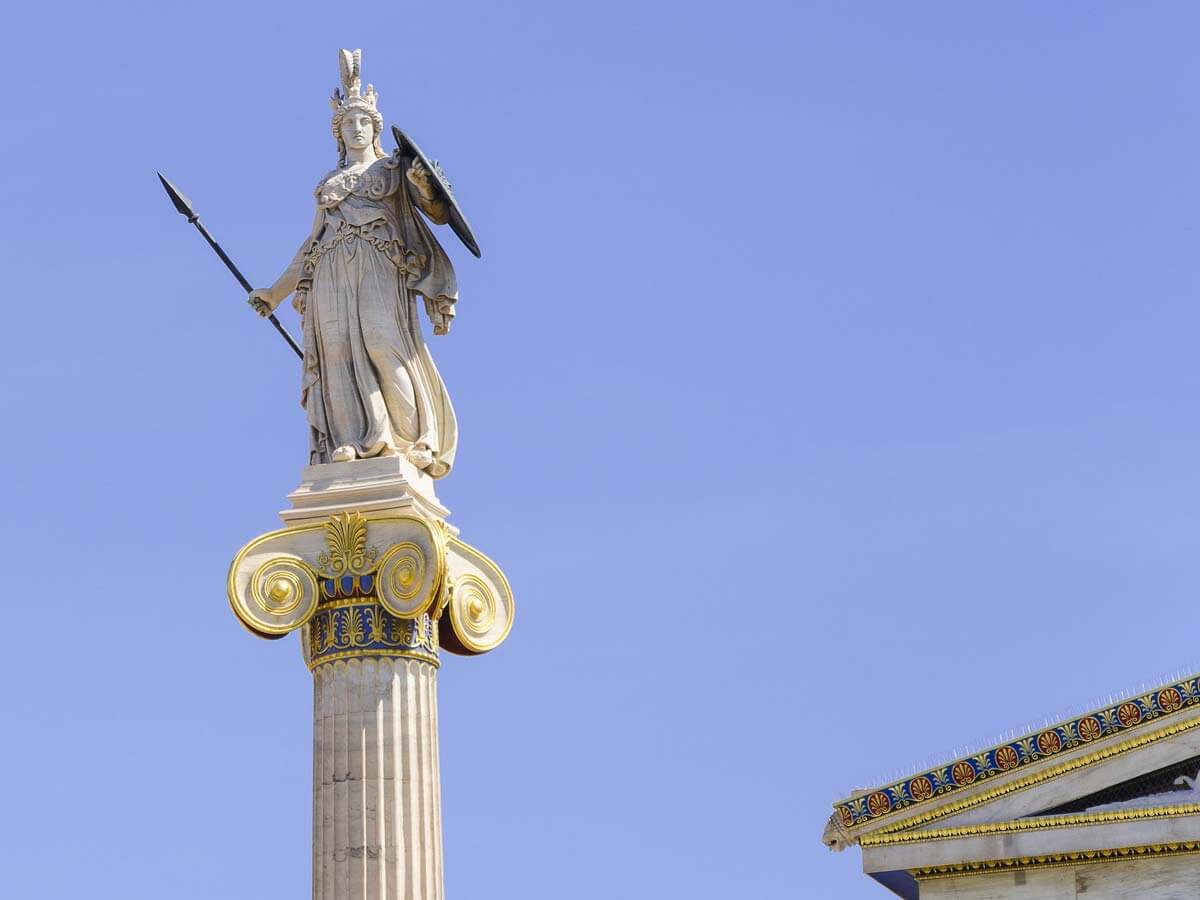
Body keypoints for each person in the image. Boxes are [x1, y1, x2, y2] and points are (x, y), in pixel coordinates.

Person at [249, 49, 458, 476]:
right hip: (330, 268)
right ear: (338, 134)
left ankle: (412, 439)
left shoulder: (393, 169)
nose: (357, 128)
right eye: (348, 123)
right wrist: (274, 292)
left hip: (378, 263)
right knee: (337, 352)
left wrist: (424, 184)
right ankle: (351, 439)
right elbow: (311, 243)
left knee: (385, 345)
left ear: (375, 128)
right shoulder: (328, 184)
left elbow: (436, 213)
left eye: (364, 121)